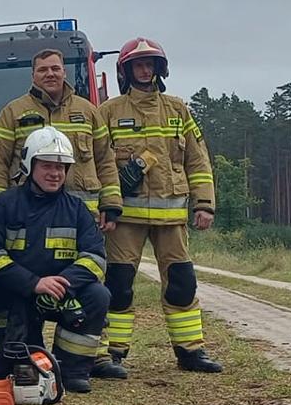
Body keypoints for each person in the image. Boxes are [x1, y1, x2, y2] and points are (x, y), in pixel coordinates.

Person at [94, 38, 223, 374]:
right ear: (126, 70)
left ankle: (190, 351)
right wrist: (105, 205)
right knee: (118, 284)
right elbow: (98, 162)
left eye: (150, 63)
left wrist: (205, 204)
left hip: (172, 217)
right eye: (138, 64)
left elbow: (198, 160)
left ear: (159, 69)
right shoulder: (108, 112)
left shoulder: (178, 109)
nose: (144, 69)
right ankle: (113, 353)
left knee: (182, 282)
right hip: (126, 218)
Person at [0, 126, 111, 395]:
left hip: (60, 294)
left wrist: (64, 285)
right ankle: (7, 348)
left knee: (98, 295)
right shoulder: (3, 205)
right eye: (48, 166)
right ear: (29, 165)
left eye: (61, 167)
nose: (55, 173)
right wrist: (33, 284)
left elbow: (96, 258)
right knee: (9, 367)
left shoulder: (77, 210)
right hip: (15, 294)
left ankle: (71, 369)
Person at [0, 49, 119, 226]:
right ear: (33, 76)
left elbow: (105, 160)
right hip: (28, 215)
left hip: (83, 215)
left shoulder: (88, 111)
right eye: (42, 70)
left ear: (64, 72)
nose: (50, 74)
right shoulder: (12, 112)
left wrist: (110, 205)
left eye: (55, 68)